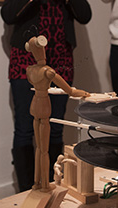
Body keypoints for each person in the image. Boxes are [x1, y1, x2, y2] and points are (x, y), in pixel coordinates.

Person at [0, 0, 91, 192]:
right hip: (25, 62)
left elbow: (85, 15)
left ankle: (52, 183)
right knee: (26, 128)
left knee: (54, 126)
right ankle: (26, 189)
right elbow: (7, 14)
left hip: (60, 62)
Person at [24, 36, 89, 191]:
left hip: (34, 105)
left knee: (38, 148)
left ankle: (37, 182)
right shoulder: (48, 72)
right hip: (44, 105)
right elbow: (70, 90)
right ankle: (45, 184)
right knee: (44, 149)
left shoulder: (30, 70)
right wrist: (84, 93)